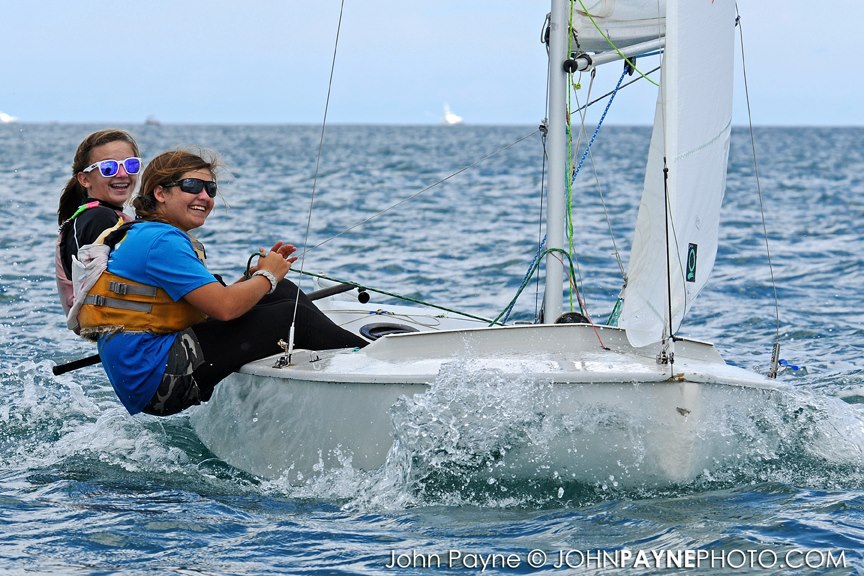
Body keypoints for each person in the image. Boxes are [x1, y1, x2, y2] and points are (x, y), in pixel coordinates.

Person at [74, 149, 367, 417]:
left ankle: (347, 357)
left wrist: (255, 281)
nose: (204, 196)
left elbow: (208, 302)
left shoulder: (145, 233)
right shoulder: (161, 240)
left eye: (210, 188)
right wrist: (268, 276)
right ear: (160, 193)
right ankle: (374, 363)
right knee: (294, 316)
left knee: (284, 292)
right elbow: (224, 309)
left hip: (148, 369)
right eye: (192, 186)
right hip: (159, 381)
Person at [56, 129, 140, 315]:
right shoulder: (99, 218)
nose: (122, 174)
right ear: (84, 179)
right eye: (108, 168)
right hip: (122, 330)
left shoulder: (90, 215)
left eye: (131, 165)